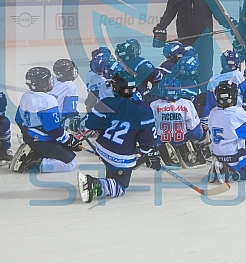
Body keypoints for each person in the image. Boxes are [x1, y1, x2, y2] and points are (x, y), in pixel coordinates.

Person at [77, 74, 161, 203]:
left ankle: (112, 174)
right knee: (119, 187)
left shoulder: (107, 102)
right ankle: (93, 183)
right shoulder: (145, 110)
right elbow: (148, 141)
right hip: (120, 156)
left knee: (117, 165)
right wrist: (146, 153)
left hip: (101, 148)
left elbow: (90, 123)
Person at [153, 0, 234, 92]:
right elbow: (168, 14)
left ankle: (204, 97)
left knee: (205, 70)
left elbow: (218, 12)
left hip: (204, 38)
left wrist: (230, 24)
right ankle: (188, 96)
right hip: (185, 41)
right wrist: (160, 29)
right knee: (185, 69)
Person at [10, 67, 82, 173]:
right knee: (70, 163)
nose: (51, 82)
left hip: (30, 138)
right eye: (48, 80)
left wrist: (29, 134)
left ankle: (34, 151)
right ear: (43, 83)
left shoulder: (26, 96)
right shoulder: (48, 101)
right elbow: (54, 131)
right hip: (43, 141)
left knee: (66, 151)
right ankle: (35, 163)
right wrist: (69, 140)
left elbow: (18, 119)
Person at [150, 78, 206, 167]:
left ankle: (163, 151)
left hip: (161, 141)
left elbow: (149, 128)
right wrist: (196, 139)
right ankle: (188, 149)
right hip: (183, 140)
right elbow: (195, 130)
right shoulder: (186, 104)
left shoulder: (154, 105)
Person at [207, 81, 246, 183]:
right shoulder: (238, 112)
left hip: (216, 152)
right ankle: (232, 172)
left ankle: (218, 165)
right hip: (233, 155)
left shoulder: (213, 112)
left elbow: (210, 132)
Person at [201, 50, 246, 123]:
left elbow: (210, 104)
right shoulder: (237, 75)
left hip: (218, 115)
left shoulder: (213, 79)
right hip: (237, 113)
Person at [48, 59, 80, 130]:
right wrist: (74, 116)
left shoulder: (50, 80)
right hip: (55, 122)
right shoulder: (71, 86)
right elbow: (69, 110)